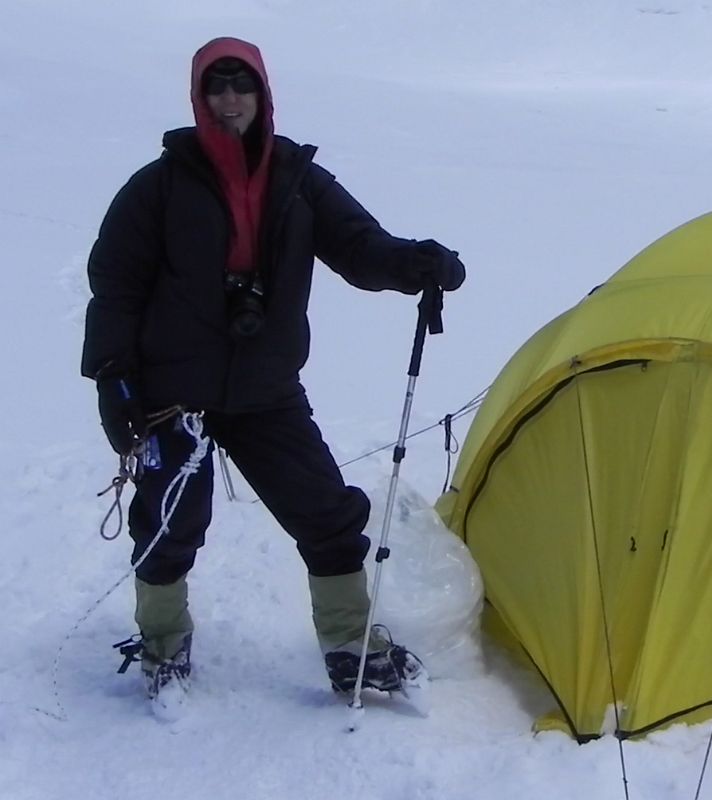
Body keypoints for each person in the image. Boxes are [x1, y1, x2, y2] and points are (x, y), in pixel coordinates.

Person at [81, 36, 465, 702]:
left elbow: (358, 245)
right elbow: (114, 286)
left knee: (326, 513)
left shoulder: (297, 179)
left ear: (263, 93)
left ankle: (352, 645)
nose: (230, 99)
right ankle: (163, 646)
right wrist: (115, 384)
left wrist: (414, 264)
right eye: (216, 87)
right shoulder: (158, 188)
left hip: (266, 390)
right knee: (171, 523)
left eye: (242, 85)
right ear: (198, 98)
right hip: (174, 395)